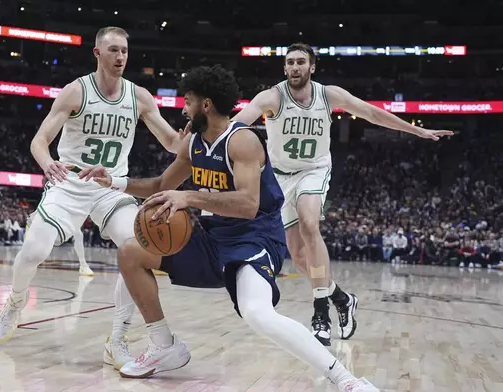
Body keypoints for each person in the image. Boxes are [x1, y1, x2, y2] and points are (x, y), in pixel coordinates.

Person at [80, 65, 379, 391]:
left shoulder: (243, 141)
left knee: (256, 313)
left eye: (188, 101)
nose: (183, 108)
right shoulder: (193, 143)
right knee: (131, 252)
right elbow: (161, 184)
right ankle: (164, 345)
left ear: (205, 105)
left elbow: (248, 205)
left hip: (255, 238)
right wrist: (115, 182)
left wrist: (189, 197)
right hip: (212, 239)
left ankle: (345, 380)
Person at [0, 26, 187, 373]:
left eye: (124, 51)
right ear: (97, 53)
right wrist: (47, 162)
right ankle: (16, 299)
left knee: (135, 250)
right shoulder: (76, 91)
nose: (120, 57)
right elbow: (39, 141)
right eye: (113, 50)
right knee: (34, 252)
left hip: (110, 188)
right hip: (68, 184)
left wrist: (187, 138)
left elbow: (172, 144)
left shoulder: (139, 96)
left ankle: (117, 342)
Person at [233, 42, 454, 345]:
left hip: (314, 169)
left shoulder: (328, 94)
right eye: (290, 62)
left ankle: (320, 314)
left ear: (312, 67)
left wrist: (417, 131)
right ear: (285, 68)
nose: (294, 67)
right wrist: (204, 136)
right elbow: (237, 124)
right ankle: (341, 299)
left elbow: (370, 113)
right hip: (281, 177)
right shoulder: (271, 96)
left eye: (300, 62)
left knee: (311, 224)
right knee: (298, 256)